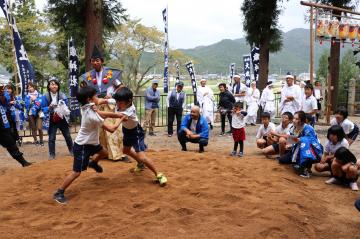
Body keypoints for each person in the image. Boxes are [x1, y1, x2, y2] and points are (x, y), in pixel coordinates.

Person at [53, 86, 124, 204]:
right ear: (89, 99)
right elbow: (111, 129)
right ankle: (59, 192)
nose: (98, 98)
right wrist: (121, 118)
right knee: (77, 172)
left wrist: (116, 114)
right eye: (95, 96)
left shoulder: (88, 106)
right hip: (82, 145)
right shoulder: (92, 116)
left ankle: (94, 162)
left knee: (104, 152)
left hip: (92, 143)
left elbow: (100, 111)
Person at [94, 87, 168, 185]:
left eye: (120, 103)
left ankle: (159, 174)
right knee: (126, 150)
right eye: (117, 102)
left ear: (129, 101)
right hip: (127, 131)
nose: (118, 105)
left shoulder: (129, 111)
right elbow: (104, 100)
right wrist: (97, 101)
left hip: (136, 133)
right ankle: (141, 165)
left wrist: (96, 113)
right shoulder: (119, 102)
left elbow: (114, 123)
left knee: (141, 156)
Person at [80, 45, 124, 161]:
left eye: (97, 60)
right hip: (96, 106)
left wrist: (113, 95)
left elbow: (121, 87)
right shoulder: (88, 76)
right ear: (91, 62)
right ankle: (101, 153)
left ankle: (116, 154)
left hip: (109, 105)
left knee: (112, 131)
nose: (95, 62)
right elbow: (84, 91)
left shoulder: (111, 74)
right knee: (97, 130)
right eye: (93, 61)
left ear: (102, 61)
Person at [278, 111, 323, 178]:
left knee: (305, 141)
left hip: (311, 149)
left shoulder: (308, 128)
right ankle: (298, 163)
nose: (294, 120)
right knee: (282, 160)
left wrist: (300, 140)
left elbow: (312, 140)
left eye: (296, 119)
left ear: (302, 120)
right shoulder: (293, 128)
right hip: (296, 148)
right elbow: (291, 140)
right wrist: (290, 145)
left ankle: (307, 168)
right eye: (294, 118)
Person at [42, 77, 73, 160]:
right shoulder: (45, 96)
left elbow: (67, 107)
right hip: (52, 118)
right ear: (48, 86)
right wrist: (49, 107)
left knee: (67, 135)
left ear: (58, 86)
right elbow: (43, 109)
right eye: (52, 84)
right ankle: (52, 154)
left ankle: (72, 150)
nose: (54, 86)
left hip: (62, 117)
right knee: (51, 137)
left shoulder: (63, 95)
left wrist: (62, 106)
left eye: (55, 84)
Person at [0, 85, 31, 167]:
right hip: (4, 125)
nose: (6, 90)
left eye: (8, 89)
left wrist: (5, 94)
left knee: (11, 144)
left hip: (5, 125)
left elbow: (22, 104)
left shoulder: (15, 97)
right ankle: (24, 163)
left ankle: (24, 163)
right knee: (11, 144)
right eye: (5, 89)